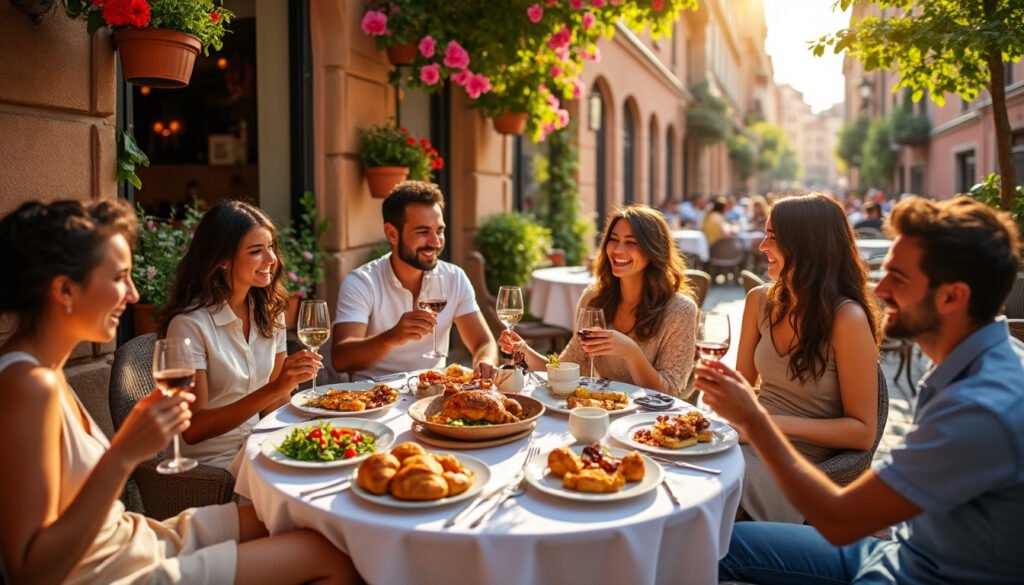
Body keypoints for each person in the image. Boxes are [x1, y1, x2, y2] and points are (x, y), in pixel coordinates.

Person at [0, 199, 357, 584]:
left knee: (312, 521)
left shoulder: (44, 375)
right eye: (119, 277)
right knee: (328, 555)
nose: (134, 295)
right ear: (65, 290)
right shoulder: (26, 386)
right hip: (116, 570)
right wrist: (123, 454)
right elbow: (30, 572)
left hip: (136, 538)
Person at [697, 196, 1024, 583]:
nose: (880, 290)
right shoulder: (971, 369)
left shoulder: (979, 407)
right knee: (705, 542)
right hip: (900, 547)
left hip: (906, 573)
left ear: (953, 296)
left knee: (702, 546)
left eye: (898, 278)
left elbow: (841, 517)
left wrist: (756, 420)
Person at [730, 193, 881, 523]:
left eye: (773, 237)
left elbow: (863, 432)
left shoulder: (846, 318)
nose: (761, 247)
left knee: (716, 498)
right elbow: (741, 392)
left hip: (803, 464)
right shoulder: (759, 301)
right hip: (748, 446)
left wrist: (766, 424)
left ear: (806, 245)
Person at [158, 201, 323, 474]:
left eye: (270, 246)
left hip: (259, 446)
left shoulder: (270, 312)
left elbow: (274, 402)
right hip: (211, 467)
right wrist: (278, 386)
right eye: (256, 251)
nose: (271, 259)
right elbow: (193, 430)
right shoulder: (189, 325)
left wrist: (312, 429)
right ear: (222, 259)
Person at [502, 204, 698, 397]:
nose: (618, 250)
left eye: (631, 242)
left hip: (649, 422)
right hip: (604, 411)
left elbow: (670, 391)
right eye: (613, 240)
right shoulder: (594, 298)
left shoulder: (680, 310)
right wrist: (525, 352)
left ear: (653, 250)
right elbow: (571, 366)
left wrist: (631, 352)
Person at [331, 181, 498, 381]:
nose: (435, 242)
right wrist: (391, 337)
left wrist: (484, 361)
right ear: (392, 233)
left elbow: (483, 341)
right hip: (372, 397)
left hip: (432, 396)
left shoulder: (454, 277)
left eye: (439, 231)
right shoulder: (362, 282)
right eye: (423, 232)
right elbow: (341, 359)